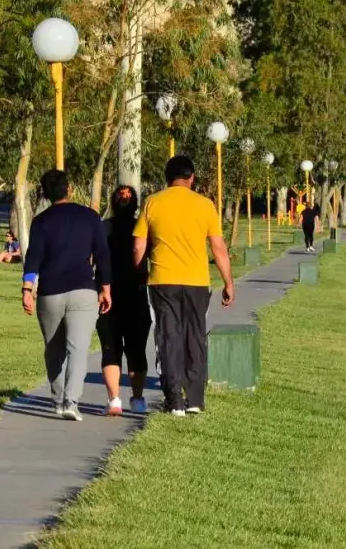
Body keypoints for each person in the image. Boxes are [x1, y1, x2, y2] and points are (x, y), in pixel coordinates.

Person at [133, 156, 235, 417]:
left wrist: (139, 272)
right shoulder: (205, 205)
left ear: (167, 177)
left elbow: (138, 246)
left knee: (168, 337)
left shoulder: (153, 202)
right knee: (195, 337)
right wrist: (228, 282)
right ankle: (195, 399)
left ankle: (174, 399)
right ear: (191, 178)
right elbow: (218, 247)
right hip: (197, 282)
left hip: (162, 281)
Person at [22, 170, 111, 422]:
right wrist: (105, 288)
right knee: (78, 348)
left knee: (54, 349)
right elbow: (102, 255)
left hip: (50, 293)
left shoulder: (41, 221)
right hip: (83, 290)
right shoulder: (90, 217)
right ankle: (71, 401)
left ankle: (59, 399)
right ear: (69, 189)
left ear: (46, 194)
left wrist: (27, 289)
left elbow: (33, 258)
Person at [97, 186, 151, 416]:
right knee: (136, 350)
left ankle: (114, 399)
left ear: (112, 201)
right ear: (135, 203)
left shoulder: (102, 227)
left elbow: (93, 257)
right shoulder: (142, 227)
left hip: (107, 294)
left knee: (110, 349)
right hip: (136, 294)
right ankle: (137, 399)